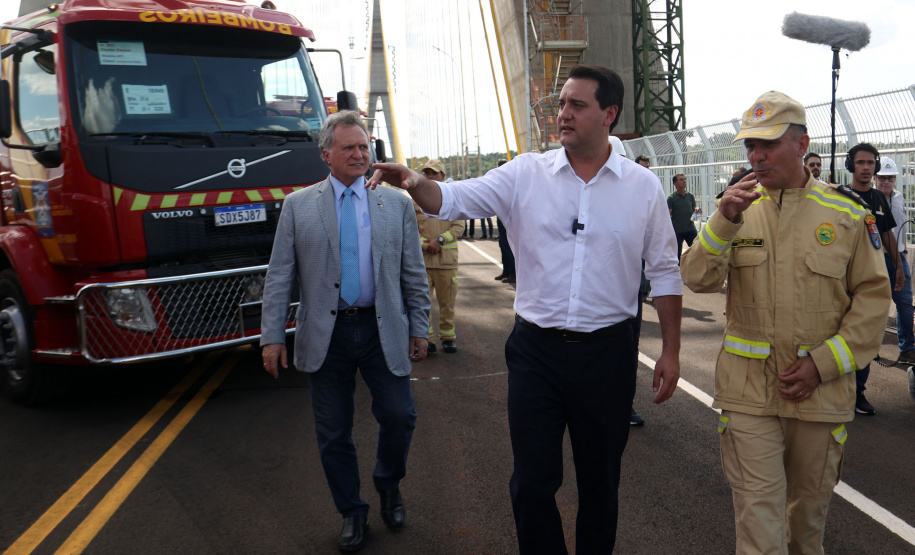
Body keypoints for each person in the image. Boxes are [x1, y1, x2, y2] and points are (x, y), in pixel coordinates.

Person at [368, 64, 683, 554]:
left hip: (607, 356)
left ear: (609, 114)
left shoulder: (642, 188)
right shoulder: (525, 174)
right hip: (536, 353)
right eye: (561, 104)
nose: (563, 114)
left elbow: (665, 271)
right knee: (532, 482)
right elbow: (451, 199)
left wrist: (671, 351)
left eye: (577, 105)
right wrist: (413, 181)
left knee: (601, 483)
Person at [681, 90, 891, 555]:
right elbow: (696, 277)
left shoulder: (849, 215)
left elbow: (874, 300)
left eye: (767, 144)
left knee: (805, 528)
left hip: (820, 395)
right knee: (759, 525)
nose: (756, 156)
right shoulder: (735, 209)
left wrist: (824, 363)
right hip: (749, 396)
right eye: (749, 146)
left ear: (801, 145)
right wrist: (721, 221)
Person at [260, 110, 430, 552]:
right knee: (333, 433)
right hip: (326, 335)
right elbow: (280, 275)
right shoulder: (299, 206)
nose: (359, 154)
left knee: (400, 416)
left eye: (364, 147)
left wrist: (420, 325)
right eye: (349, 147)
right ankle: (352, 512)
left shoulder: (395, 204)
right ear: (327, 155)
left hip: (382, 328)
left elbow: (413, 271)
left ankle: (388, 485)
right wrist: (272, 336)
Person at [846, 142, 905, 416]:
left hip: (873, 277)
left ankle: (858, 391)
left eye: (871, 163)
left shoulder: (879, 199)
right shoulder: (840, 196)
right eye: (861, 162)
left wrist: (899, 268)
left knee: (867, 333)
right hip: (843, 277)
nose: (867, 167)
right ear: (851, 166)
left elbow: (886, 235)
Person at [418, 159, 465, 354]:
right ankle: (426, 340)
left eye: (433, 173)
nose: (429, 176)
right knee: (422, 305)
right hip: (422, 263)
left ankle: (448, 338)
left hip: (446, 264)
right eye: (426, 173)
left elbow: (459, 226)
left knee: (447, 305)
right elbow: (409, 228)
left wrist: (440, 240)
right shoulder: (415, 200)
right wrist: (424, 243)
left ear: (442, 176)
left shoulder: (454, 199)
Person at [875, 157, 915, 364]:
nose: (886, 182)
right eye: (882, 178)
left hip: (897, 257)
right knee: (872, 306)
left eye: (890, 178)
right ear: (875, 178)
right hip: (874, 258)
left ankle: (907, 349)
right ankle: (869, 347)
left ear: (895, 180)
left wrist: (903, 251)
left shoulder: (898, 198)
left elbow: (901, 228)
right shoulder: (867, 199)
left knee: (905, 303)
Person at [493, 158, 517, 284]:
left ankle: (513, 273)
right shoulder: (501, 182)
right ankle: (506, 271)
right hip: (501, 216)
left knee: (508, 246)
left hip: (508, 217)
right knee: (502, 244)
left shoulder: (511, 182)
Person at [667, 174, 700, 262]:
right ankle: (678, 273)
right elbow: (668, 214)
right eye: (681, 180)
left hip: (690, 229)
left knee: (697, 251)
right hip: (677, 231)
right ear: (675, 184)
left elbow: (694, 210)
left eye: (684, 179)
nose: (684, 181)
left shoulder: (690, 196)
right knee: (676, 255)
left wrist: (697, 212)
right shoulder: (671, 198)